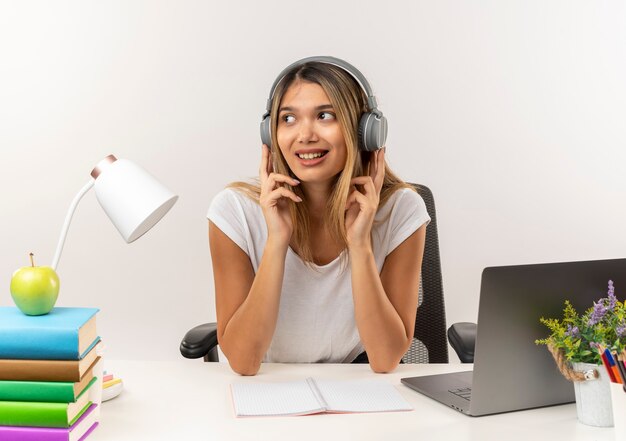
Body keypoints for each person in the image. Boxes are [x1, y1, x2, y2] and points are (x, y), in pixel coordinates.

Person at [207, 56, 430, 375]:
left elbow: (385, 360)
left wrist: (360, 244)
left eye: (325, 116)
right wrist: (276, 241)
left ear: (365, 130)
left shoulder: (401, 209)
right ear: (270, 134)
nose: (305, 135)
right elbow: (243, 361)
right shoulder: (234, 211)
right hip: (269, 392)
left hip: (361, 391)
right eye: (288, 119)